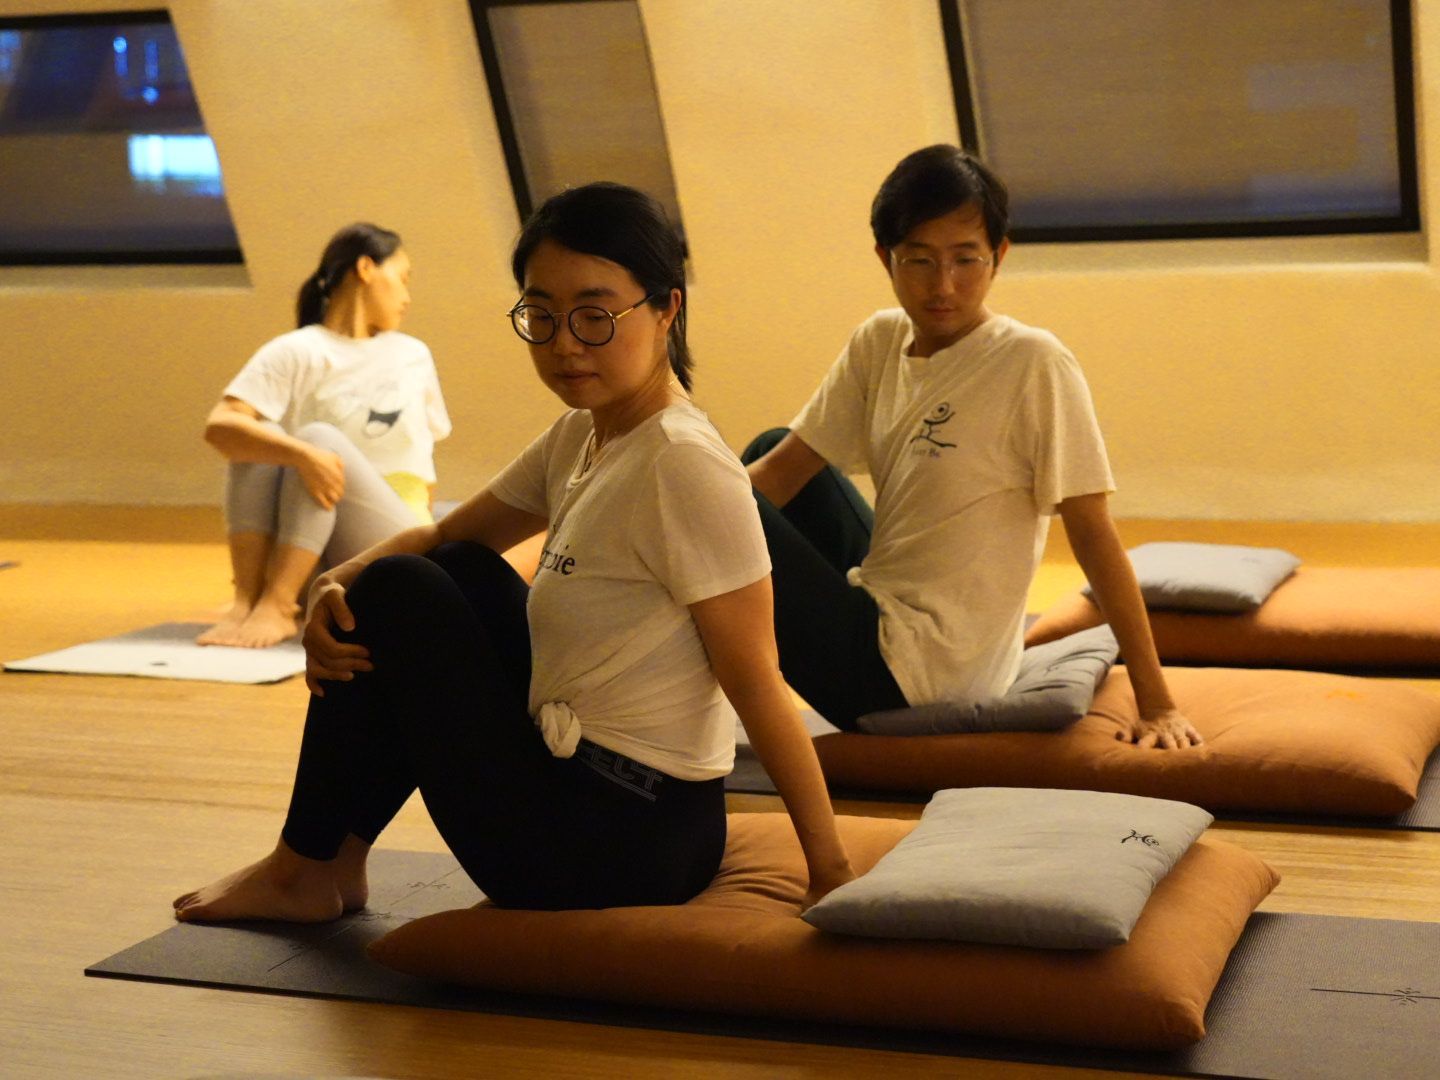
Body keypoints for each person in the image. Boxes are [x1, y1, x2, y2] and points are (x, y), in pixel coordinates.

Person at [173, 182, 854, 923]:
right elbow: (445, 536)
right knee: (445, 571)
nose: (565, 342)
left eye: (595, 316)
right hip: (590, 794)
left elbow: (756, 678)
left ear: (666, 310)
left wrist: (831, 871)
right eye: (543, 314)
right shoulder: (586, 433)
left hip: (624, 838)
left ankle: (298, 868)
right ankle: (331, 861)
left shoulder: (683, 463)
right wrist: (337, 579)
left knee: (402, 590)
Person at [744, 145, 1201, 750]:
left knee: (714, 516)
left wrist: (1157, 701)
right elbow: (783, 469)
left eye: (966, 260)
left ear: (999, 256)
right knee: (762, 457)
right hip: (883, 611)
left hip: (914, 678)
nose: (944, 286)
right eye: (920, 261)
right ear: (886, 258)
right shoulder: (880, 340)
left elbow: (1092, 531)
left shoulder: (1032, 362)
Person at [197, 222, 450, 649]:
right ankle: (248, 600)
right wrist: (299, 455)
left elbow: (424, 474)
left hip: (391, 545)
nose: (407, 296)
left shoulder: (412, 354)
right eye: (403, 278)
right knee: (264, 435)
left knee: (317, 438)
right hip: (312, 554)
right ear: (366, 268)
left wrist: (308, 451)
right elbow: (222, 426)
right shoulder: (298, 349)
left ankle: (277, 606)